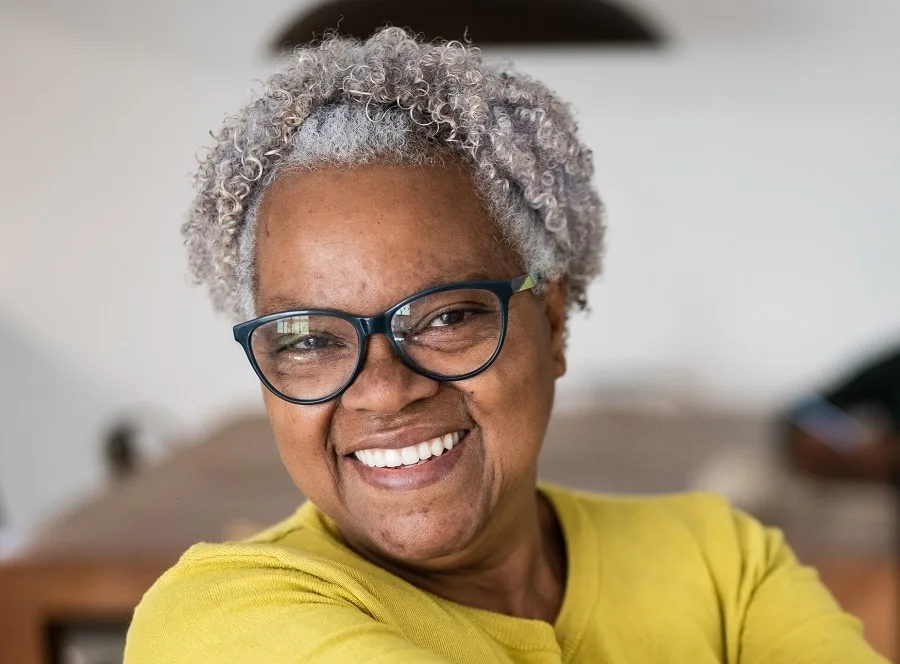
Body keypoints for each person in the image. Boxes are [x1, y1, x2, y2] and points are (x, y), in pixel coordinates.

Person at [123, 28, 886, 663]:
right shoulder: (217, 625)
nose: (385, 390)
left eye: (446, 317)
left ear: (551, 320)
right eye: (309, 339)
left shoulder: (723, 563)